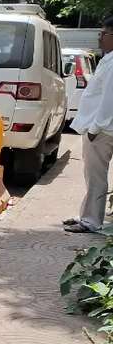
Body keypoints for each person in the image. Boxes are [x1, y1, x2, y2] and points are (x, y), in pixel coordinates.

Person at [64, 17, 113, 233]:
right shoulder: (107, 59)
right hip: (101, 127)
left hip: (103, 129)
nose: (99, 37)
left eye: (104, 33)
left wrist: (95, 128)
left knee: (96, 176)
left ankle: (91, 221)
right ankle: (88, 215)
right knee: (93, 176)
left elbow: (109, 100)